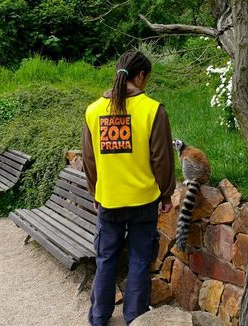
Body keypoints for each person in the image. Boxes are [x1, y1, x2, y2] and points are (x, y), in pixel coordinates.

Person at [82, 50, 176, 326]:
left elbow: (89, 159)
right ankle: (135, 318)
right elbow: (161, 159)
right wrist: (166, 193)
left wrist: (95, 192)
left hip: (109, 200)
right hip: (143, 202)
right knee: (138, 260)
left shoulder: (93, 111)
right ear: (142, 75)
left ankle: (99, 318)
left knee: (106, 260)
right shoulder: (153, 109)